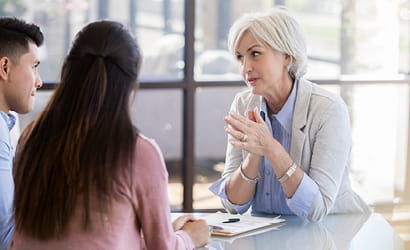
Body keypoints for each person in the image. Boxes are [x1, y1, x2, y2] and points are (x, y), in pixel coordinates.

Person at [11, 21, 209, 249]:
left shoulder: (32, 138)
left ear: (68, 71)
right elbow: (162, 247)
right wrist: (189, 237)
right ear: (131, 81)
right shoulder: (137, 152)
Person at [209, 7, 369, 222]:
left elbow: (316, 210)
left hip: (331, 232)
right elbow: (232, 205)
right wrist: (255, 155)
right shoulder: (243, 103)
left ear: (286, 55)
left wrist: (271, 148)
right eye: (240, 57)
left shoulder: (328, 109)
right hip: (267, 234)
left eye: (255, 54)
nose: (245, 68)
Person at [0, 17, 43, 250]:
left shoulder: (7, 123)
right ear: (4, 68)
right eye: (34, 67)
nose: (39, 82)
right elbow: (5, 239)